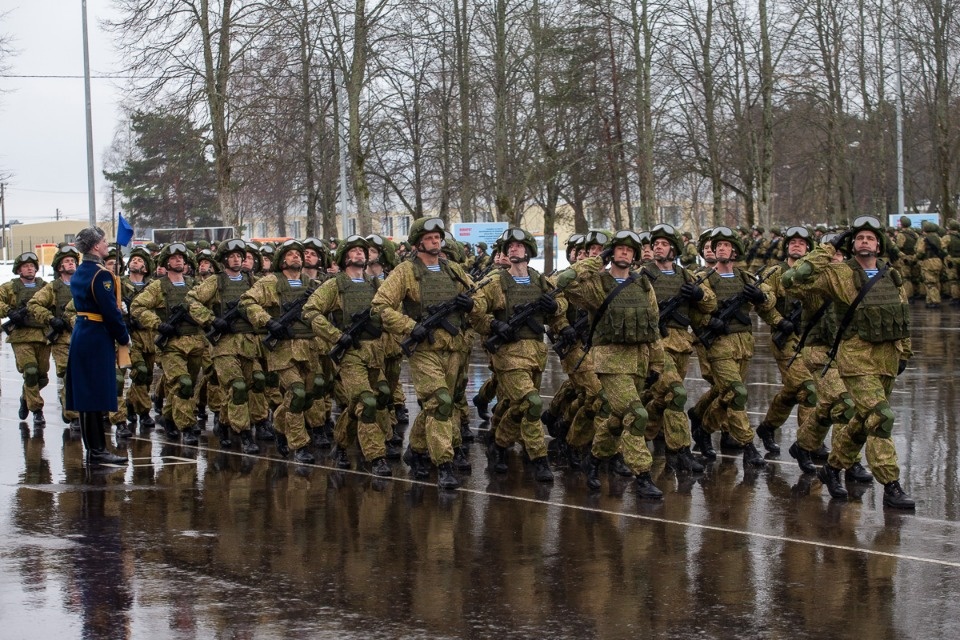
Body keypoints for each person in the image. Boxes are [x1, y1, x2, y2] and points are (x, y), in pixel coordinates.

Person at [783, 215, 915, 509]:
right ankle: (891, 485)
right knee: (881, 417)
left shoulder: (890, 275)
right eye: (859, 238)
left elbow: (903, 316)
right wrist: (826, 249)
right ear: (851, 245)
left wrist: (904, 352)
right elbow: (792, 280)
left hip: (887, 360)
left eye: (870, 237)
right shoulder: (839, 274)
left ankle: (832, 468)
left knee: (860, 421)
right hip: (856, 360)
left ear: (879, 245)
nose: (864, 241)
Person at [556, 230, 666, 497]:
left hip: (638, 363)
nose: (624, 252)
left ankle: (593, 462)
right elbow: (565, 281)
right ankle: (643, 476)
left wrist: (657, 364)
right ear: (611, 253)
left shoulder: (642, 285)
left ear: (636, 255)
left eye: (629, 249)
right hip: (610, 364)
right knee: (636, 414)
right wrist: (596, 261)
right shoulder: (598, 284)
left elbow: (653, 325)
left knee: (617, 421)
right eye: (619, 248)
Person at [371, 217, 474, 489]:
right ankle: (444, 465)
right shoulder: (405, 271)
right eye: (429, 237)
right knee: (440, 401)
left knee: (442, 404)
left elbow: (477, 298)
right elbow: (380, 307)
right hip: (424, 349)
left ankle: (416, 449)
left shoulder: (453, 269)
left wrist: (470, 304)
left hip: (453, 347)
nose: (435, 240)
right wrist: (410, 327)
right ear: (418, 243)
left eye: (438, 236)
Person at [469, 227, 565, 483]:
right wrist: (493, 325)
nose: (513, 249)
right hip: (508, 354)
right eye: (509, 246)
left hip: (536, 353)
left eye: (519, 246)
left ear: (529, 251)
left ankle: (499, 445)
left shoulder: (540, 280)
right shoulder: (494, 282)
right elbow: (475, 311)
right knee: (532, 402)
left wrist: (556, 305)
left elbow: (561, 304)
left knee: (519, 406)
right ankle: (539, 459)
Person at [64, 227, 130, 465]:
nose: (106, 244)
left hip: (83, 332)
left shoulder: (81, 270)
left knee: (86, 395)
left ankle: (94, 449)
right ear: (95, 247)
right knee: (93, 394)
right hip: (96, 335)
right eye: (103, 241)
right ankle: (98, 450)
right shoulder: (101, 275)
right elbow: (110, 312)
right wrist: (123, 336)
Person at [27, 245, 81, 428]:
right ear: (59, 267)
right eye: (67, 261)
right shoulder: (52, 288)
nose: (71, 263)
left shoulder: (83, 284)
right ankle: (73, 415)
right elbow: (34, 304)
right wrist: (51, 319)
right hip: (62, 339)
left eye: (73, 261)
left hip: (82, 337)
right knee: (68, 375)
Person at [0, 251, 51, 426]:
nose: (29, 268)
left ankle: (26, 396)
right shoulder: (9, 287)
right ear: (18, 270)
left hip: (43, 337)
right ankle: (37, 410)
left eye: (32, 266)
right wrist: (9, 312)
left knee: (42, 377)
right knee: (30, 372)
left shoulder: (45, 287)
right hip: (21, 337)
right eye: (25, 266)